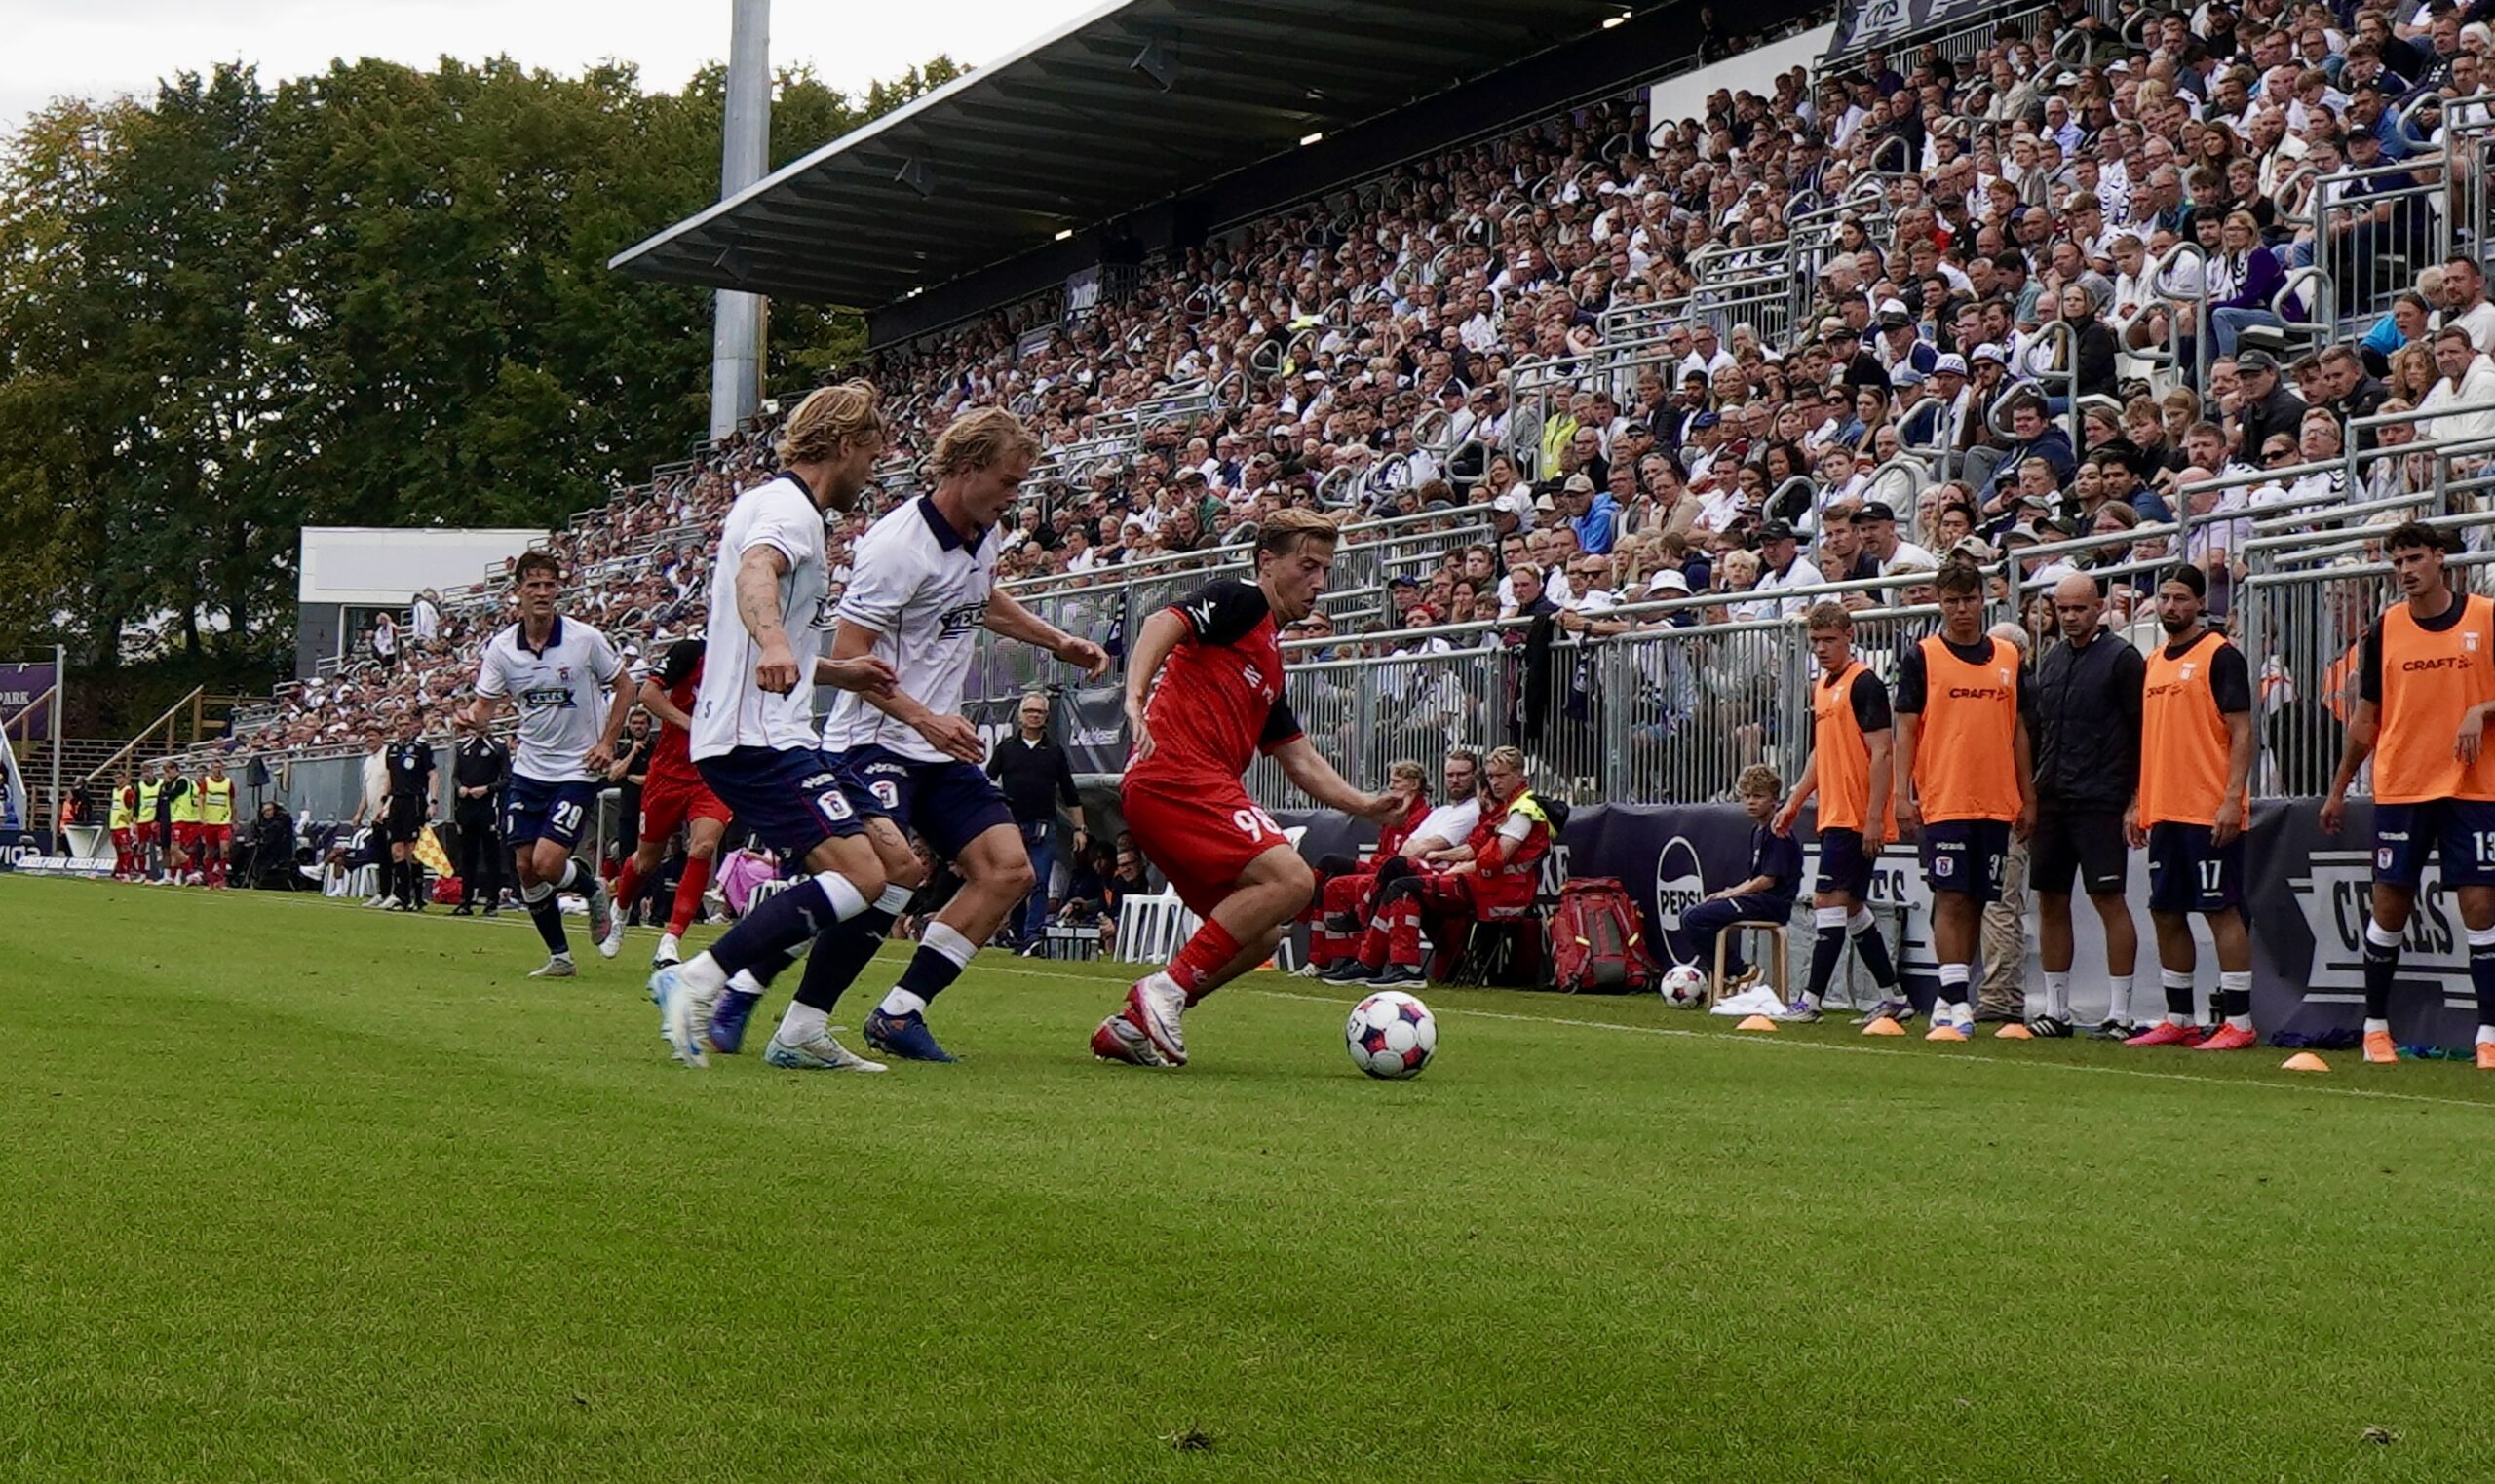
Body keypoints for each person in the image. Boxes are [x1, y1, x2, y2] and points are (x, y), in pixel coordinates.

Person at [821, 406, 1110, 1064]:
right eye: (1007, 481)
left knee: (1008, 871)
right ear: (966, 468)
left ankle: (900, 1012)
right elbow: (848, 655)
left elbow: (981, 597)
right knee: (880, 876)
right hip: (873, 740)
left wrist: (1056, 638)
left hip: (937, 745)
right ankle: (753, 981)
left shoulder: (984, 532)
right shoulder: (897, 547)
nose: (1014, 495)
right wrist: (924, 716)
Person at [653, 382, 909, 1073]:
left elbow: (778, 637)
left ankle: (798, 1027)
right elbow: (754, 574)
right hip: (757, 738)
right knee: (861, 873)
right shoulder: (786, 512)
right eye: (872, 455)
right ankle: (705, 978)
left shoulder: (786, 508)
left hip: (775, 729)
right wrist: (772, 638)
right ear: (846, 445)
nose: (872, 471)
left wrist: (834, 670)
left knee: (895, 864)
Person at [1091, 508, 1402, 1067]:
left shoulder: (1268, 659)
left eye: (1325, 570)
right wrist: (1133, 696)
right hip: (1178, 778)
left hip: (1175, 792)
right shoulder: (1243, 599)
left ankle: (1133, 1028)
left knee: (1259, 934)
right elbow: (1163, 621)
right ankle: (1164, 992)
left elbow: (1299, 759)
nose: (1319, 583)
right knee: (1292, 879)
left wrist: (1364, 804)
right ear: (1267, 562)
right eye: (1308, 566)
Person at [2320, 522, 2495, 1068]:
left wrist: (2482, 709)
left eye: (2414, 558)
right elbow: (2366, 717)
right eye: (2397, 562)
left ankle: (2488, 1033)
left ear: (2440, 559)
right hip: (2403, 783)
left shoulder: (2486, 617)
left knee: (2481, 904)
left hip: (2474, 784)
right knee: (2390, 902)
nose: (2405, 571)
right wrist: (2338, 787)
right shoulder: (2386, 627)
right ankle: (2375, 1028)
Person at [463, 550, 632, 978]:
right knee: (524, 867)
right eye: (533, 585)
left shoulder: (584, 640)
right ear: (518, 591)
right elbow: (484, 708)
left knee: (548, 864)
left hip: (578, 768)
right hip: (529, 769)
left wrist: (608, 743)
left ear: (558, 589)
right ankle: (560, 956)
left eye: (549, 584)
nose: (541, 592)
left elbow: (626, 686)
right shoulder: (502, 649)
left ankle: (590, 886)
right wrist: (471, 718)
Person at [1894, 559, 2036, 1041]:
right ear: (1940, 603)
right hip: (1945, 795)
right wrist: (1901, 793)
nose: (1961, 609)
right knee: (1950, 897)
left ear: (1983, 600)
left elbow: (2019, 730)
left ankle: (1947, 996)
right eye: (1952, 601)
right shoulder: (1923, 656)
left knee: (1978, 898)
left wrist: (2026, 794)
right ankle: (1957, 1000)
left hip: (1996, 799)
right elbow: (1906, 729)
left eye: (1969, 599)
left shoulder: (2008, 658)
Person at [2127, 564, 2259, 1051]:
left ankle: (2240, 1023)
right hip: (2165, 806)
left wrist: (2231, 798)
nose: (2170, 607)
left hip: (2208, 808)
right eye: (2164, 598)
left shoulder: (2220, 655)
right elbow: (2152, 739)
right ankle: (2179, 1016)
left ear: (2200, 603)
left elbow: (2242, 729)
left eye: (2181, 598)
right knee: (2165, 910)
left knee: (2221, 910)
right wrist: (2140, 800)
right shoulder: (2155, 661)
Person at [1773, 602, 1904, 1024]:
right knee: (1848, 906)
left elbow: (1883, 751)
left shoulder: (1864, 683)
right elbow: (1821, 750)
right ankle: (1894, 996)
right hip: (1834, 811)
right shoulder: (1824, 686)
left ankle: (1810, 1001)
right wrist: (1795, 800)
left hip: (1854, 815)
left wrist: (1873, 817)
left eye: (1830, 639)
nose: (1822, 648)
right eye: (1815, 641)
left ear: (1850, 634)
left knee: (1828, 900)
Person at [1327, 746, 1555, 989]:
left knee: (1402, 886)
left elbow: (1493, 860)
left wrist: (1451, 869)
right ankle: (1372, 962)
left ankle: (1398, 965)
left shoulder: (1521, 811)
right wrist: (1443, 857)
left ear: (1520, 775)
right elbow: (1474, 849)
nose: (1495, 782)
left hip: (1500, 894)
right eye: (1491, 776)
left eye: (1501, 776)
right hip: (1484, 886)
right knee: (1397, 877)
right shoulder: (1503, 809)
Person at [2027, 573, 2145, 1037]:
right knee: (2050, 898)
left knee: (2108, 898)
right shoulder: (2051, 662)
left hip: (2101, 797)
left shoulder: (2123, 659)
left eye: (2079, 608)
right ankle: (2056, 1009)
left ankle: (2122, 1012)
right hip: (2053, 795)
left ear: (2098, 607)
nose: (2070, 617)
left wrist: (2136, 797)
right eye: (2063, 609)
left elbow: (2142, 733)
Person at [602, 636, 733, 967]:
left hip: (713, 775)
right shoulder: (692, 651)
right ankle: (621, 907)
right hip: (669, 774)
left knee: (702, 847)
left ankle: (670, 941)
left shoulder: (753, 661)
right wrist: (693, 725)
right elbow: (647, 693)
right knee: (646, 861)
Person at [1310, 752, 1479, 977]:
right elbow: (1406, 848)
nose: (1455, 780)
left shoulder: (1466, 810)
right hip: (1399, 867)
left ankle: (1374, 947)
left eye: (1462, 774)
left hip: (1437, 875)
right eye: (1450, 775)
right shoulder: (1442, 812)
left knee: (1394, 877)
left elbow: (1418, 849)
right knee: (1334, 879)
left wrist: (1419, 850)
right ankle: (1334, 959)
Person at [1683, 765, 1803, 995]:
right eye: (1747, 796)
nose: (1751, 802)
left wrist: (1733, 892)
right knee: (1691, 914)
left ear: (1774, 799)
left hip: (1771, 904)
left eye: (1758, 796)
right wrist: (1733, 891)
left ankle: (1740, 972)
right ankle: (1733, 975)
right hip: (1757, 899)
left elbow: (1768, 879)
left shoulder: (1778, 830)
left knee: (1696, 918)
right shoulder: (1757, 831)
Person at [986, 689, 1087, 954]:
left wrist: (1080, 828)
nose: (1034, 716)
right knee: (1018, 880)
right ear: (1021, 716)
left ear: (1046, 717)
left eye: (1039, 712)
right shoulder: (1006, 748)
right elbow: (987, 782)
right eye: (1030, 711)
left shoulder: (1054, 751)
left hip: (1044, 825)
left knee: (1040, 880)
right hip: (1011, 826)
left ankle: (1033, 934)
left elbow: (1069, 791)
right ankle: (1019, 933)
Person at [450, 725, 508, 916]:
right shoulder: (463, 747)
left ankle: (492, 901)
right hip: (467, 808)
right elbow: (455, 777)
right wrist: (460, 788)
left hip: (488, 807)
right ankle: (465, 901)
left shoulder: (497, 747)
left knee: (491, 855)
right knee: (467, 856)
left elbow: (507, 778)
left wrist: (487, 789)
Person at [382, 717, 436, 912]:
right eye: (400, 725)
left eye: (406, 725)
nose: (403, 728)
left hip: (414, 800)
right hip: (397, 801)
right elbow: (390, 777)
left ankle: (418, 897)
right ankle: (402, 896)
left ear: (413, 726)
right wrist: (384, 801)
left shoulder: (421, 748)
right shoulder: (392, 750)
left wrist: (433, 800)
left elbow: (433, 774)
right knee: (397, 850)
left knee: (413, 849)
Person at [197, 758, 236, 890]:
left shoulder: (228, 783)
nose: (217, 770)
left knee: (225, 849)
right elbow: (200, 800)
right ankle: (210, 880)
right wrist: (202, 817)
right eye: (215, 767)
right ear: (211, 769)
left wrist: (234, 819)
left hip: (223, 821)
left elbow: (232, 801)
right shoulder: (206, 782)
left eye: (219, 767)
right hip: (209, 822)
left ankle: (221, 878)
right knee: (209, 852)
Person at [163, 760, 197, 885]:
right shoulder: (174, 783)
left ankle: (191, 872)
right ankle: (172, 876)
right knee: (177, 849)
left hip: (183, 818)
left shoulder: (182, 781)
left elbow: (172, 795)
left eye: (168, 771)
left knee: (174, 849)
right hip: (179, 818)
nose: (167, 774)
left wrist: (166, 790)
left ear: (175, 769)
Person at [108, 772, 136, 881]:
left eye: (120, 777)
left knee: (126, 848)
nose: (118, 780)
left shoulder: (128, 792)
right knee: (118, 849)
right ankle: (119, 871)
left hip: (123, 825)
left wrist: (130, 820)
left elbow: (134, 806)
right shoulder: (115, 791)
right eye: (115, 778)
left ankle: (127, 871)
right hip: (114, 825)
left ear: (125, 778)